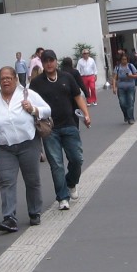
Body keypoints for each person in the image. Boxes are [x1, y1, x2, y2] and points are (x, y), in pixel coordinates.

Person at [0, 67, 51, 232]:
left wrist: (33, 109)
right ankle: (9, 218)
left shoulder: (27, 94)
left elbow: (47, 109)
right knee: (6, 182)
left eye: (8, 78)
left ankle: (34, 212)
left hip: (29, 144)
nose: (5, 81)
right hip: (5, 148)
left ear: (15, 79)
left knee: (32, 180)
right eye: (2, 78)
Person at [30, 49, 90, 209]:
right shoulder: (36, 83)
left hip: (70, 124)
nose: (49, 64)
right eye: (45, 61)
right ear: (42, 64)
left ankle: (71, 183)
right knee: (56, 164)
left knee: (77, 159)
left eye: (51, 60)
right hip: (50, 129)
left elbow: (78, 97)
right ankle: (62, 197)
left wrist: (86, 114)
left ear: (56, 61)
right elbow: (31, 105)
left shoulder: (67, 77)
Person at [112, 52, 137, 124]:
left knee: (131, 102)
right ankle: (126, 115)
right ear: (120, 60)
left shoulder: (130, 66)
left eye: (125, 59)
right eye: (123, 59)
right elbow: (114, 78)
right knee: (122, 103)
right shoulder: (117, 67)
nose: (124, 61)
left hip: (130, 86)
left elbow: (136, 75)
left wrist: (130, 76)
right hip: (121, 88)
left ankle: (131, 118)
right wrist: (114, 87)